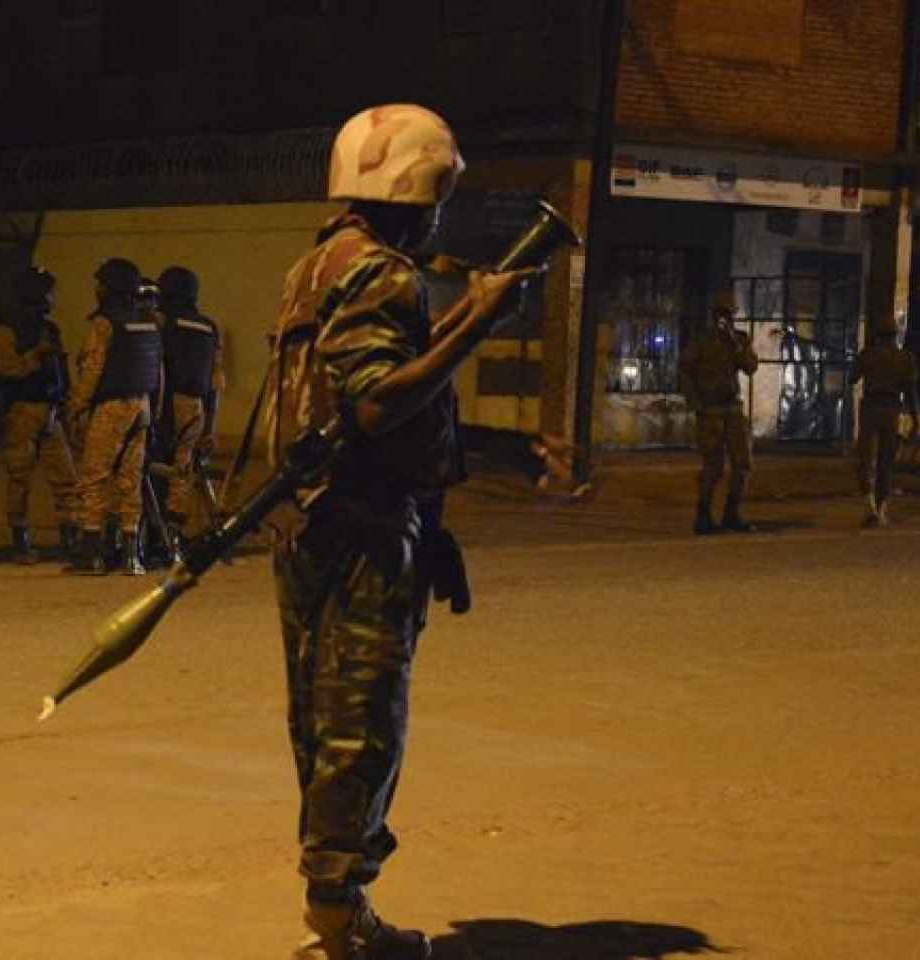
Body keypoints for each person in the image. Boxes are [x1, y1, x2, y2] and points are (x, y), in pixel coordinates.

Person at [270, 104, 529, 960]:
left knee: (322, 712)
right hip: (364, 530)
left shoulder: (317, 265)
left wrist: (437, 526)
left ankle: (335, 897)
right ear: (411, 193)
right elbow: (380, 403)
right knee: (363, 721)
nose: (439, 217)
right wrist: (479, 324)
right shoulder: (383, 275)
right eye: (436, 198)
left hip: (318, 520)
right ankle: (341, 913)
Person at [66, 257, 163, 576]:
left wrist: (77, 405)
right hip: (143, 406)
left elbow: (93, 369)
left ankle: (92, 552)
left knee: (95, 475)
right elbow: (157, 373)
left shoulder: (105, 323)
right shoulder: (148, 321)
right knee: (130, 479)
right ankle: (131, 555)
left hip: (112, 406)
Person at [0, 266, 79, 563]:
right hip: (23, 410)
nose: (54, 298)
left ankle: (71, 534)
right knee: (20, 476)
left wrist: (68, 407)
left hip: (51, 411)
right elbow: (7, 370)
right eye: (49, 291)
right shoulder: (7, 329)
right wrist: (35, 356)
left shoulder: (50, 329)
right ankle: (19, 538)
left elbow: (62, 371)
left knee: (66, 476)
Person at [679, 290, 759, 535]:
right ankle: (703, 516)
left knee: (743, 464)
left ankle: (731, 513)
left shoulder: (739, 340)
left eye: (729, 314)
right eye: (721, 314)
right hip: (710, 410)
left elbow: (751, 367)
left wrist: (735, 344)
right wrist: (696, 403)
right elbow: (685, 371)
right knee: (713, 465)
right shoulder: (701, 340)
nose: (725, 319)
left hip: (732, 408)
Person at [157, 265, 226, 546]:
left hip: (166, 403)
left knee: (157, 467)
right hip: (197, 406)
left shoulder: (162, 323)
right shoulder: (209, 327)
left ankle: (151, 534)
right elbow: (216, 379)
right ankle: (173, 534)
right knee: (183, 470)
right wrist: (211, 425)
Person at [851, 316, 919, 526]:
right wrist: (916, 421)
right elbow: (910, 392)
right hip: (892, 411)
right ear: (895, 336)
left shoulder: (868, 355)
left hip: (871, 408)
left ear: (877, 336)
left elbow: (851, 378)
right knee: (886, 462)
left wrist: (860, 361)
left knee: (864, 458)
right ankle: (881, 510)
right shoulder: (905, 358)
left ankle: (869, 504)